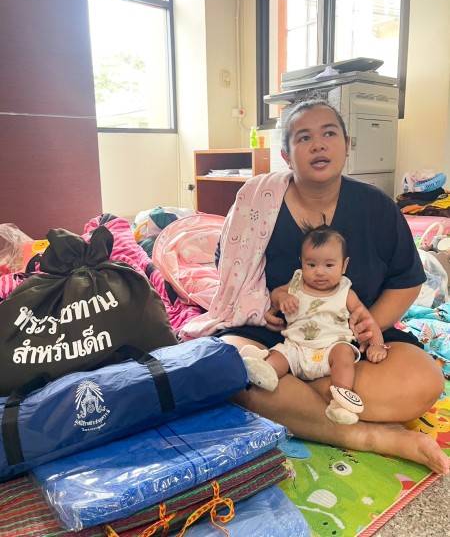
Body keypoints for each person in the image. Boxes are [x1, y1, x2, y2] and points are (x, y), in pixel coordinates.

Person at [179, 97, 449, 475]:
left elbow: (406, 281)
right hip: (274, 337)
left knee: (424, 380)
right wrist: (265, 306)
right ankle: (369, 434)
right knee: (228, 365)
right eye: (304, 137)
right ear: (287, 156)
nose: (318, 144)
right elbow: (231, 272)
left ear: (347, 145)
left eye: (329, 134)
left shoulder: (375, 206)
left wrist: (368, 324)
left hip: (347, 340)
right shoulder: (256, 202)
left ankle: (304, 399)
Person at [241, 222, 389, 425]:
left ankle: (342, 399)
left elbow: (367, 320)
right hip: (296, 348)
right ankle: (264, 372)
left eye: (329, 265)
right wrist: (282, 297)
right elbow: (276, 293)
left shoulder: (346, 292)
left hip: (330, 351)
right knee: (279, 354)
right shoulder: (296, 282)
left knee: (345, 354)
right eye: (311, 265)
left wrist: (377, 344)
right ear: (301, 262)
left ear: (344, 266)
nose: (319, 272)